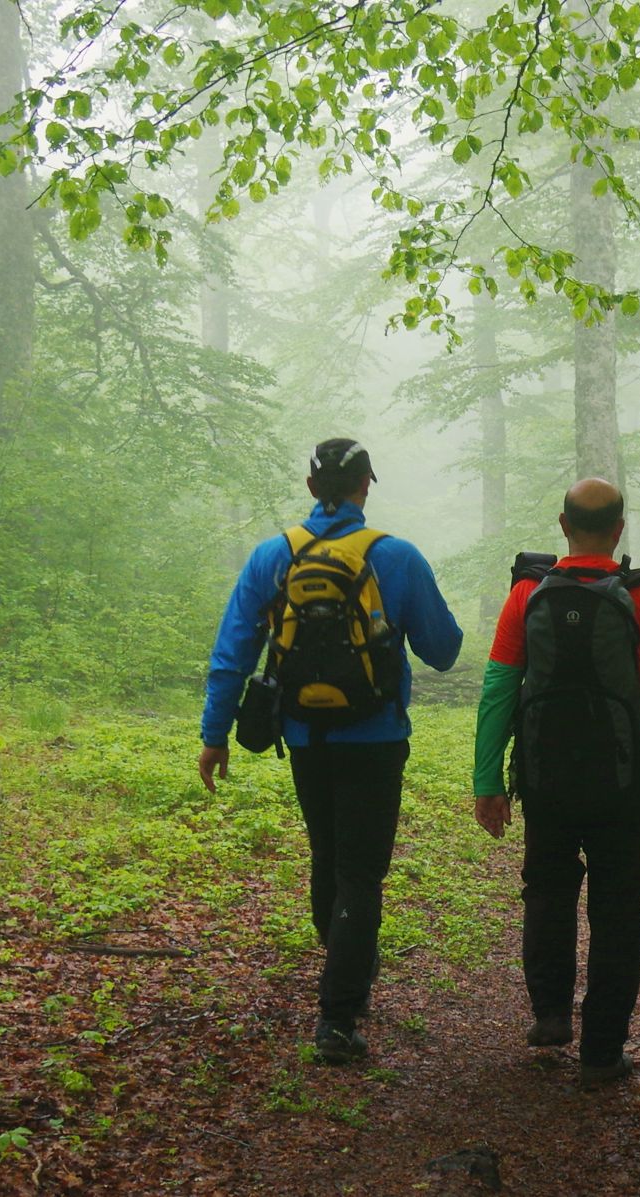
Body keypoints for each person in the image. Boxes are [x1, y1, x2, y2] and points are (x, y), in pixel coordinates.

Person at [198, 438, 462, 1064]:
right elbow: (445, 650)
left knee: (328, 858)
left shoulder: (272, 556)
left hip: (304, 737)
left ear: (313, 487)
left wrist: (214, 736)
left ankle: (345, 973)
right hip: (375, 739)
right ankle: (338, 1018)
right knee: (362, 874)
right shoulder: (395, 557)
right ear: (366, 484)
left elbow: (232, 651)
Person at [470, 477, 640, 1086]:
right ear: (619, 530)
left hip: (544, 780)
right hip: (623, 788)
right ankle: (602, 1052)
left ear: (563, 525)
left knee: (546, 891)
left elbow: (498, 688)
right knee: (619, 911)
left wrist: (487, 779)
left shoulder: (527, 592)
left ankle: (549, 1013)